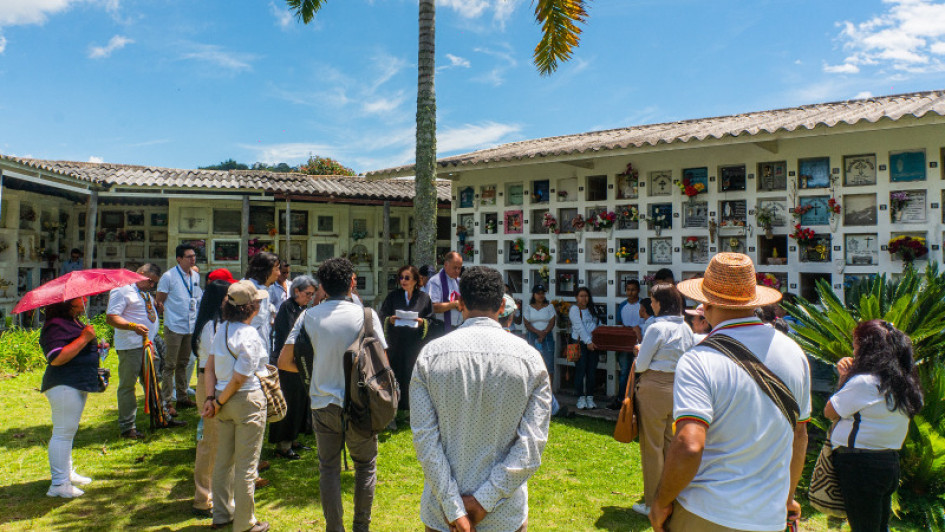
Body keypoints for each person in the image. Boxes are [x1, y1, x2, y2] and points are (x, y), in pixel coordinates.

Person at [651, 253, 811, 532]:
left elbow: (689, 445)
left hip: (707, 512)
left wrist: (661, 501)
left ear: (706, 303)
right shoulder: (794, 352)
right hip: (769, 517)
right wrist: (786, 499)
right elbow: (799, 435)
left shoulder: (699, 359)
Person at [411, 266, 552, 532]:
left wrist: (456, 509)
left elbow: (425, 440)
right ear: (502, 305)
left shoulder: (431, 356)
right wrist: (481, 503)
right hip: (503, 514)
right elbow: (532, 446)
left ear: (460, 303)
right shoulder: (530, 359)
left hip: (443, 514)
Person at [280, 258, 387, 532]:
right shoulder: (367, 315)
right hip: (362, 403)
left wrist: (314, 372)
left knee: (328, 468)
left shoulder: (308, 316)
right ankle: (361, 527)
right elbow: (382, 364)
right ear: (352, 282)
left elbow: (284, 360)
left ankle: (334, 528)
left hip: (323, 403)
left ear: (322, 287)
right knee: (365, 466)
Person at [825, 320, 923, 532]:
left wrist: (844, 378)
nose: (854, 350)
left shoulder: (864, 382)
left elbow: (830, 411)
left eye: (855, 344)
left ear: (866, 346)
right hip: (889, 461)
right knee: (879, 526)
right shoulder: (902, 381)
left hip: (860, 464)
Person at [201, 281, 271, 532]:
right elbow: (241, 376)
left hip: (222, 401)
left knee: (223, 461)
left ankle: (221, 514)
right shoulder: (249, 334)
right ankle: (244, 523)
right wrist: (217, 401)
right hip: (245, 401)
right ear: (251, 307)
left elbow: (209, 367)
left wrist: (212, 399)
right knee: (246, 465)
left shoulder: (221, 329)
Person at [631, 283, 693, 516]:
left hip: (655, 387)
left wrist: (638, 350)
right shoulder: (685, 327)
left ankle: (652, 502)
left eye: (653, 301)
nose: (652, 305)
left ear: (661, 303)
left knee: (652, 446)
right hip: (677, 387)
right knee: (669, 444)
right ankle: (671, 497)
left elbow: (642, 365)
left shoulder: (657, 329)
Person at [106, 263, 184, 439]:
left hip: (148, 344)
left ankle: (161, 417)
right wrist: (132, 326)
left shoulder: (144, 293)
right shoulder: (122, 290)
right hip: (131, 346)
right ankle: (128, 427)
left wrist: (156, 311)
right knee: (128, 385)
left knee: (153, 382)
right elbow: (111, 318)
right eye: (150, 281)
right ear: (140, 274)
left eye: (154, 283)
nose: (152, 286)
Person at [39, 296, 100, 498]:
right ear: (67, 303)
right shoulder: (55, 325)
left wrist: (95, 346)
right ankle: (59, 484)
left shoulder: (73, 321)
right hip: (63, 384)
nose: (85, 300)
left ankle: (67, 473)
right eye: (80, 298)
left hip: (76, 382)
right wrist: (84, 338)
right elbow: (56, 358)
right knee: (62, 433)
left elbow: (77, 349)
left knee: (68, 432)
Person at [190, 279, 231, 518]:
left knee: (219, 443)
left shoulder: (219, 323)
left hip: (217, 383)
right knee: (210, 443)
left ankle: (216, 493)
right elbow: (213, 362)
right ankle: (202, 498)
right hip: (210, 384)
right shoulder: (210, 327)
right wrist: (210, 397)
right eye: (228, 297)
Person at [268, 275, 317, 460]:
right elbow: (290, 336)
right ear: (296, 291)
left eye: (312, 295)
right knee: (288, 404)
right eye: (307, 294)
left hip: (300, 362)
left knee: (300, 403)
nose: (310, 298)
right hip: (287, 363)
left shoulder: (302, 308)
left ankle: (294, 438)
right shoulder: (287, 308)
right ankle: (283, 445)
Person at [378, 265, 433, 415]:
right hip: (396, 343)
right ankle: (393, 407)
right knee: (394, 373)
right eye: (401, 277)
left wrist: (423, 322)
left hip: (414, 344)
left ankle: (411, 409)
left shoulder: (424, 298)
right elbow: (382, 315)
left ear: (415, 280)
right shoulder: (393, 296)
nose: (403, 280)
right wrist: (390, 320)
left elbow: (431, 320)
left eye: (407, 278)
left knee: (412, 374)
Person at [156, 244, 203, 415]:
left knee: (183, 363)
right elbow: (159, 300)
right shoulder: (169, 276)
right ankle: (167, 400)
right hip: (174, 325)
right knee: (170, 364)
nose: (193, 259)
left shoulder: (196, 275)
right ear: (179, 259)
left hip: (190, 325)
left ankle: (182, 397)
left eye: (194, 256)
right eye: (189, 256)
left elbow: (196, 297)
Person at [611, 280, 644, 409]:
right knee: (624, 371)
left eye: (633, 289)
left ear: (638, 290)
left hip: (640, 343)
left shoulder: (642, 304)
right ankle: (621, 400)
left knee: (639, 372)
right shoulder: (622, 305)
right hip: (625, 344)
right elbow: (619, 323)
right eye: (628, 289)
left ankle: (636, 401)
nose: (630, 292)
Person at [570, 286, 603, 410]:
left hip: (593, 344)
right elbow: (579, 327)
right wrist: (588, 341)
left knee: (592, 371)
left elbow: (597, 324)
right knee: (580, 370)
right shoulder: (574, 309)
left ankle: (590, 397)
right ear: (576, 297)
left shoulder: (592, 309)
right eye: (581, 296)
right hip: (581, 343)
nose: (584, 298)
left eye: (586, 296)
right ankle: (580, 397)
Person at [244, 252, 280, 356]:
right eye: (276, 269)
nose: (279, 274)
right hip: (248, 353)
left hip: (262, 351)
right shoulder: (247, 289)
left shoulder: (266, 289)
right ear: (266, 270)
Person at [427, 252, 463, 334]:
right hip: (441, 328)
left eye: (459, 268)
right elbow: (433, 307)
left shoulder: (459, 281)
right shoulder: (435, 281)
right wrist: (455, 304)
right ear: (446, 265)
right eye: (455, 268)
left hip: (458, 327)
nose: (457, 271)